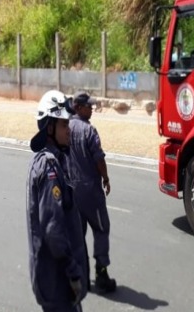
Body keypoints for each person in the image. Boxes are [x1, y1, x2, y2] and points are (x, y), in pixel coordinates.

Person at [27, 90, 88, 311]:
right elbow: (52, 229)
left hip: (59, 281)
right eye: (64, 125)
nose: (69, 130)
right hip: (57, 282)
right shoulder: (48, 166)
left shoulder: (57, 160)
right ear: (49, 128)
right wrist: (73, 272)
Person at [68, 91, 117, 294]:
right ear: (78, 107)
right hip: (91, 193)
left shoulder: (65, 127)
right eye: (88, 106)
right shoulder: (89, 130)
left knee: (77, 235)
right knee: (101, 229)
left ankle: (81, 275)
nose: (92, 109)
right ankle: (101, 273)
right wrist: (105, 178)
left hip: (73, 191)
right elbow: (99, 158)